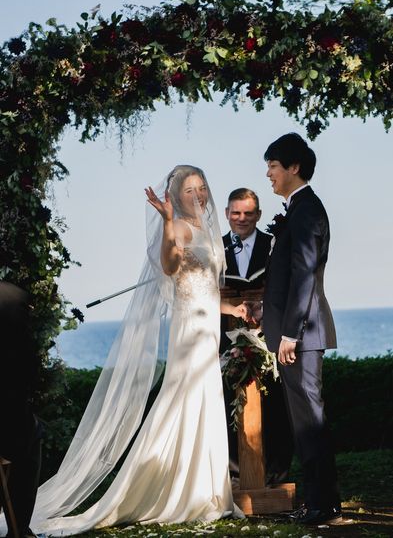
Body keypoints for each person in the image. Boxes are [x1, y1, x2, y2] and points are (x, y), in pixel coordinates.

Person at [29, 165, 245, 536]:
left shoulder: (208, 229)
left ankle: (206, 489)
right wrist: (167, 223)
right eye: (189, 189)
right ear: (176, 196)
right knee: (183, 398)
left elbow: (206, 285)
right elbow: (171, 268)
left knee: (205, 398)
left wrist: (232, 309)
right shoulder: (179, 227)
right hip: (190, 330)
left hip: (208, 324)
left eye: (201, 187)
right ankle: (176, 489)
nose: (198, 194)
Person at [256, 133, 341, 525]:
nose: (268, 174)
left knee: (310, 421)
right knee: (304, 421)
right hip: (295, 334)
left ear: (294, 167)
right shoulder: (298, 209)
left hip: (301, 336)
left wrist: (290, 333)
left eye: (273, 166)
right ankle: (320, 501)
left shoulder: (306, 210)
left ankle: (323, 505)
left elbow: (305, 274)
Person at [220, 188, 293, 485]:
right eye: (236, 213)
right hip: (225, 333)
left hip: (268, 331)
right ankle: (234, 472)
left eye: (248, 213)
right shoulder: (215, 248)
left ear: (259, 215)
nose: (242, 218)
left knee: (274, 401)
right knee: (228, 400)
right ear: (226, 214)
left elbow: (285, 283)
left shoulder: (272, 243)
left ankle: (276, 471)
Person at [0, 281, 42, 538]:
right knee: (30, 435)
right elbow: (28, 372)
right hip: (7, 426)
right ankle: (20, 527)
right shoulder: (13, 298)